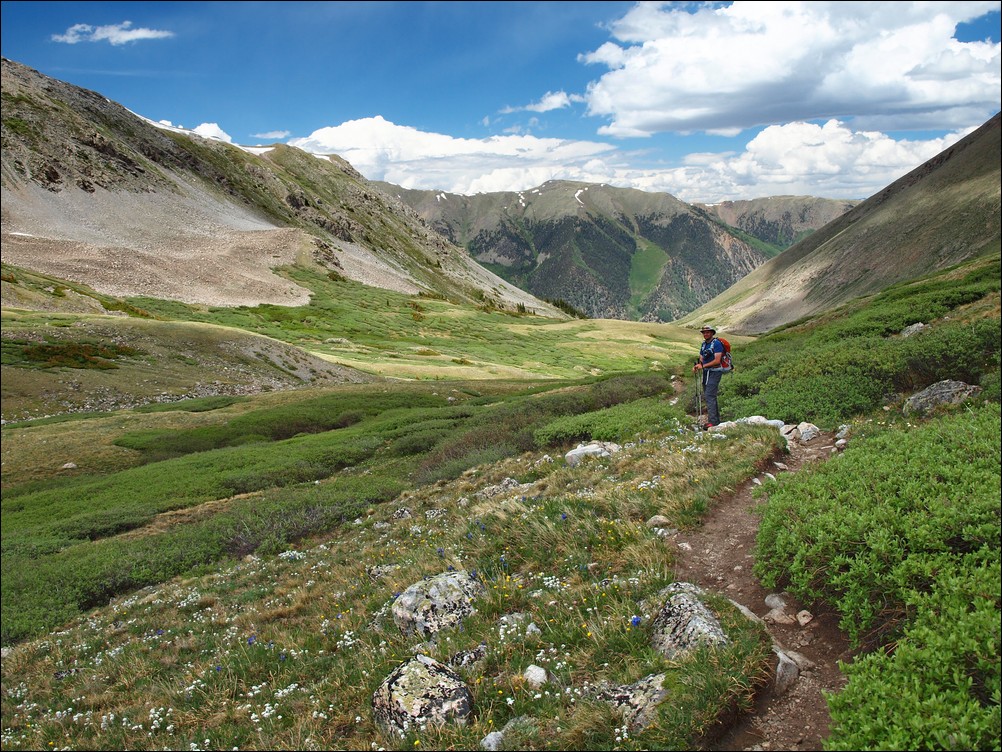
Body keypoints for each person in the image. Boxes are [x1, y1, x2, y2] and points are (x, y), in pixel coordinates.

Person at [693, 325, 725, 429]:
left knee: (709, 395)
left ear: (712, 333)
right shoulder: (704, 345)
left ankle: (713, 422)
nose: (706, 334)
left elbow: (717, 360)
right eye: (704, 332)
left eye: (708, 332)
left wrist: (702, 366)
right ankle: (715, 420)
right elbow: (701, 358)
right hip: (706, 372)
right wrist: (697, 366)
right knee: (709, 396)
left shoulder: (717, 344)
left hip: (715, 372)